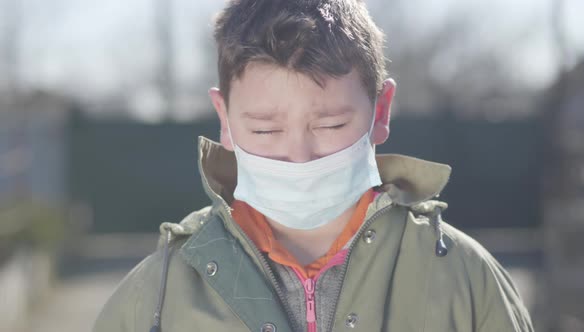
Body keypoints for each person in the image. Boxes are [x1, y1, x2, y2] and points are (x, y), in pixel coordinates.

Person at [93, 0, 534, 331]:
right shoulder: (156, 297)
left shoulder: (464, 277)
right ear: (224, 119)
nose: (299, 158)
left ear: (381, 112)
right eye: (266, 129)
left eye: (331, 123)